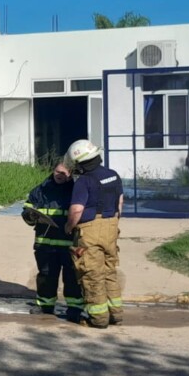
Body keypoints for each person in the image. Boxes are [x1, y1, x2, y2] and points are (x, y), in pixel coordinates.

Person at [63, 139, 124, 329]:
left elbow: (76, 210)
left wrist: (69, 226)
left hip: (90, 230)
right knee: (109, 271)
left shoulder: (84, 181)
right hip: (111, 226)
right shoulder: (113, 175)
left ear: (80, 163)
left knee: (92, 274)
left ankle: (98, 318)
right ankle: (115, 314)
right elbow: (120, 203)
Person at [22, 162, 84, 322]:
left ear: (70, 175)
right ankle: (45, 305)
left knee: (72, 277)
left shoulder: (76, 190)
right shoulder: (41, 189)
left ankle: (75, 308)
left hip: (68, 244)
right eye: (57, 171)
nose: (59, 175)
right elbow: (27, 207)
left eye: (63, 173)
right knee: (46, 275)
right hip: (45, 242)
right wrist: (29, 215)